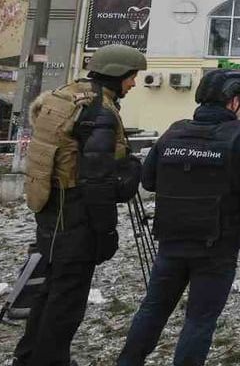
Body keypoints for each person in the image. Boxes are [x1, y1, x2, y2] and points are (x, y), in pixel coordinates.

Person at [117, 70, 240, 366]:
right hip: (217, 246)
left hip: (171, 240)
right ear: (234, 102)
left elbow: (149, 180)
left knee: (154, 308)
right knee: (200, 320)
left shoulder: (173, 132)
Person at [13, 44, 146, 366]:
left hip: (50, 206)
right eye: (132, 77)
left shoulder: (67, 95)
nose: (134, 84)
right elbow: (97, 181)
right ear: (117, 74)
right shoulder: (98, 111)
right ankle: (51, 360)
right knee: (67, 298)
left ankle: (29, 356)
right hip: (75, 215)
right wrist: (106, 231)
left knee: (50, 287)